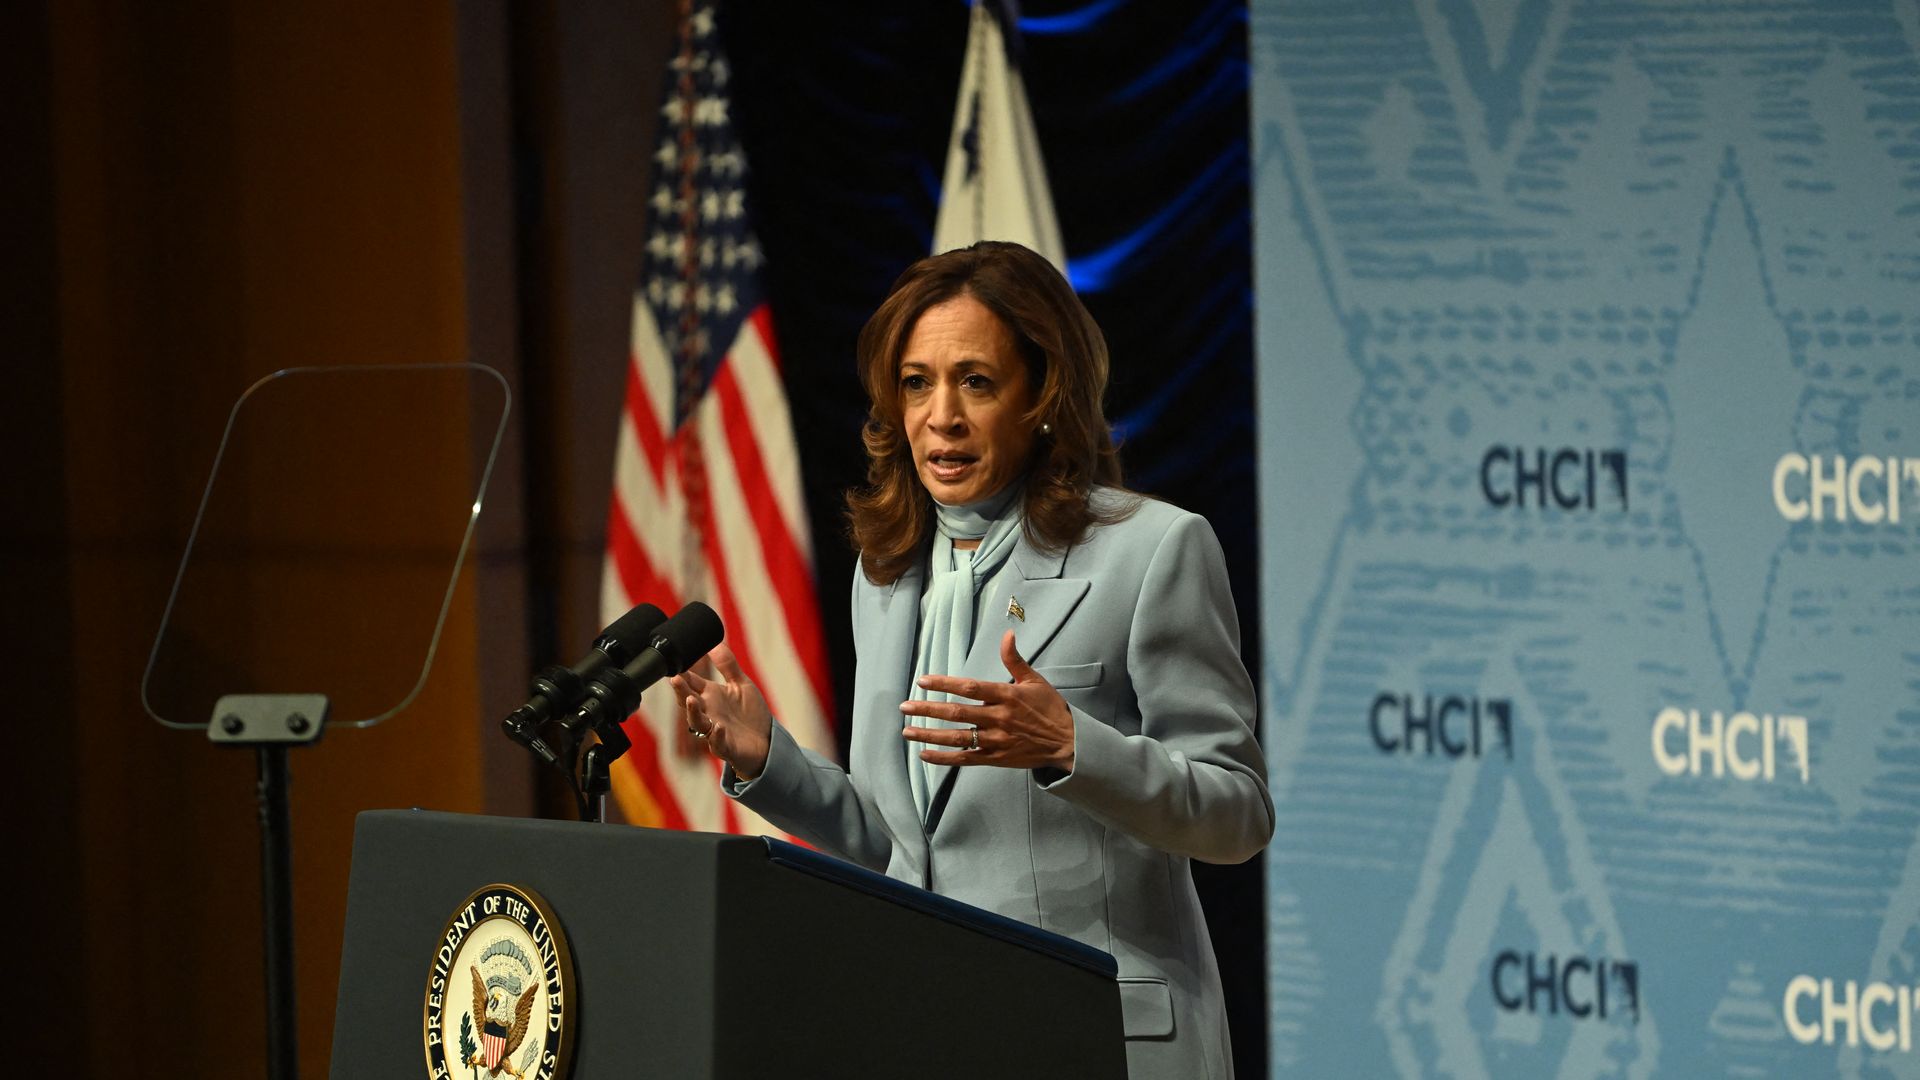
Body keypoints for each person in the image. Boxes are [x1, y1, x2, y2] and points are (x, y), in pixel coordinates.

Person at [669, 240, 1272, 1079]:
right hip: (937, 1032)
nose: (940, 416)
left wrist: (1072, 748)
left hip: (1103, 1040)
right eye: (917, 383)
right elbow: (897, 847)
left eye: (976, 382)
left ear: (1044, 396)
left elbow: (1237, 817)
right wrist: (769, 762)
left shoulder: (1153, 550)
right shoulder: (884, 574)